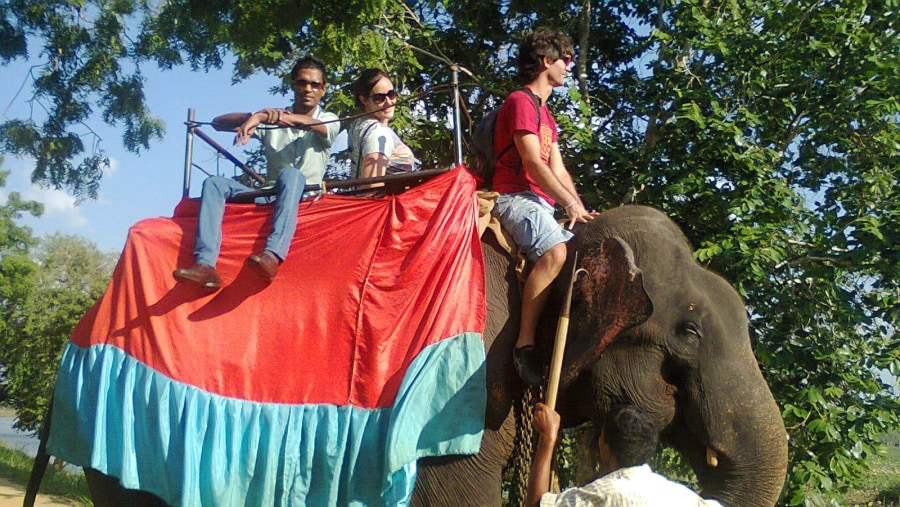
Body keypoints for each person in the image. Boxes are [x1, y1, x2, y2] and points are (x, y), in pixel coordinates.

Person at [173, 56, 340, 289]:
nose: (308, 89)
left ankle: (273, 254)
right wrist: (254, 115)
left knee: (291, 175)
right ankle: (205, 265)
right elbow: (218, 123)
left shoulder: (330, 119)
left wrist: (272, 118)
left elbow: (314, 126)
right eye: (302, 83)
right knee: (214, 183)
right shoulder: (272, 116)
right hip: (268, 192)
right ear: (293, 85)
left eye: (315, 85)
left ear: (323, 89)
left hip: (304, 194)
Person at [490, 28, 598, 386]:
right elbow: (533, 163)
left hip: (542, 203)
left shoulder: (546, 116)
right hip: (515, 197)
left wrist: (579, 209)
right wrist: (567, 203)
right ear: (545, 61)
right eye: (564, 59)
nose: (569, 66)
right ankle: (525, 345)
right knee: (555, 253)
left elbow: (558, 169)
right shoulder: (520, 102)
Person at [527, 404, 725, 506]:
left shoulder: (604, 493)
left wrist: (547, 439)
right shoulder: (684, 498)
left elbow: (537, 504)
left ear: (605, 446)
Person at [348, 68, 417, 186]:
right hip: (385, 202)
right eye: (379, 98)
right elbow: (371, 187)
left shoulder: (358, 125)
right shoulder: (378, 132)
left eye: (391, 95)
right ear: (364, 100)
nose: (389, 102)